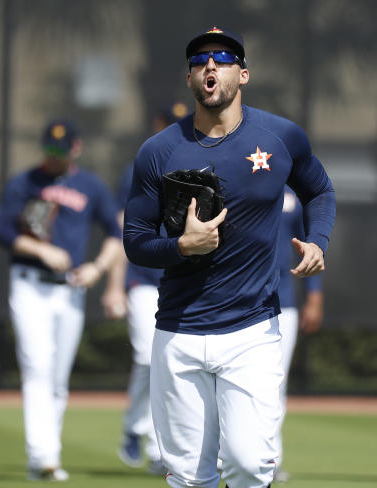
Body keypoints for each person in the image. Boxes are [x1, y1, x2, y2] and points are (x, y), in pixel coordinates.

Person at [122, 26, 335, 488]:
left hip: (252, 330)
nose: (210, 65)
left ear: (243, 73)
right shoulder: (157, 151)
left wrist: (317, 240)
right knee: (188, 477)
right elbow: (135, 240)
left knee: (247, 465)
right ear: (190, 79)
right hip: (178, 330)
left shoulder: (280, 137)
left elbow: (319, 190)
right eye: (200, 60)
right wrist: (181, 245)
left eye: (222, 57)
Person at [0, 119, 123, 481]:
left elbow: (115, 233)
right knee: (37, 366)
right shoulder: (25, 183)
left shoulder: (91, 186)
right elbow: (2, 230)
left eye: (60, 151)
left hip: (69, 290)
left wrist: (97, 269)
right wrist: (40, 250)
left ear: (75, 149)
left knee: (58, 379)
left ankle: (47, 455)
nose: (54, 157)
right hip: (30, 283)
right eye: (49, 150)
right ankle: (43, 456)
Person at [102, 101, 189, 476]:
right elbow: (126, 227)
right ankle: (136, 430)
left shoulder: (202, 163)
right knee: (146, 357)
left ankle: (154, 445)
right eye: (167, 122)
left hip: (182, 281)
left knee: (168, 361)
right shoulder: (140, 166)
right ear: (156, 124)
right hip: (143, 280)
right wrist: (115, 285)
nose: (172, 128)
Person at [274, 186, 324, 482]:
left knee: (275, 381)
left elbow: (309, 245)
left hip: (283, 299)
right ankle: (215, 453)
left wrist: (314, 296)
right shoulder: (233, 172)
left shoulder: (293, 193)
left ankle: (268, 458)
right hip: (233, 299)